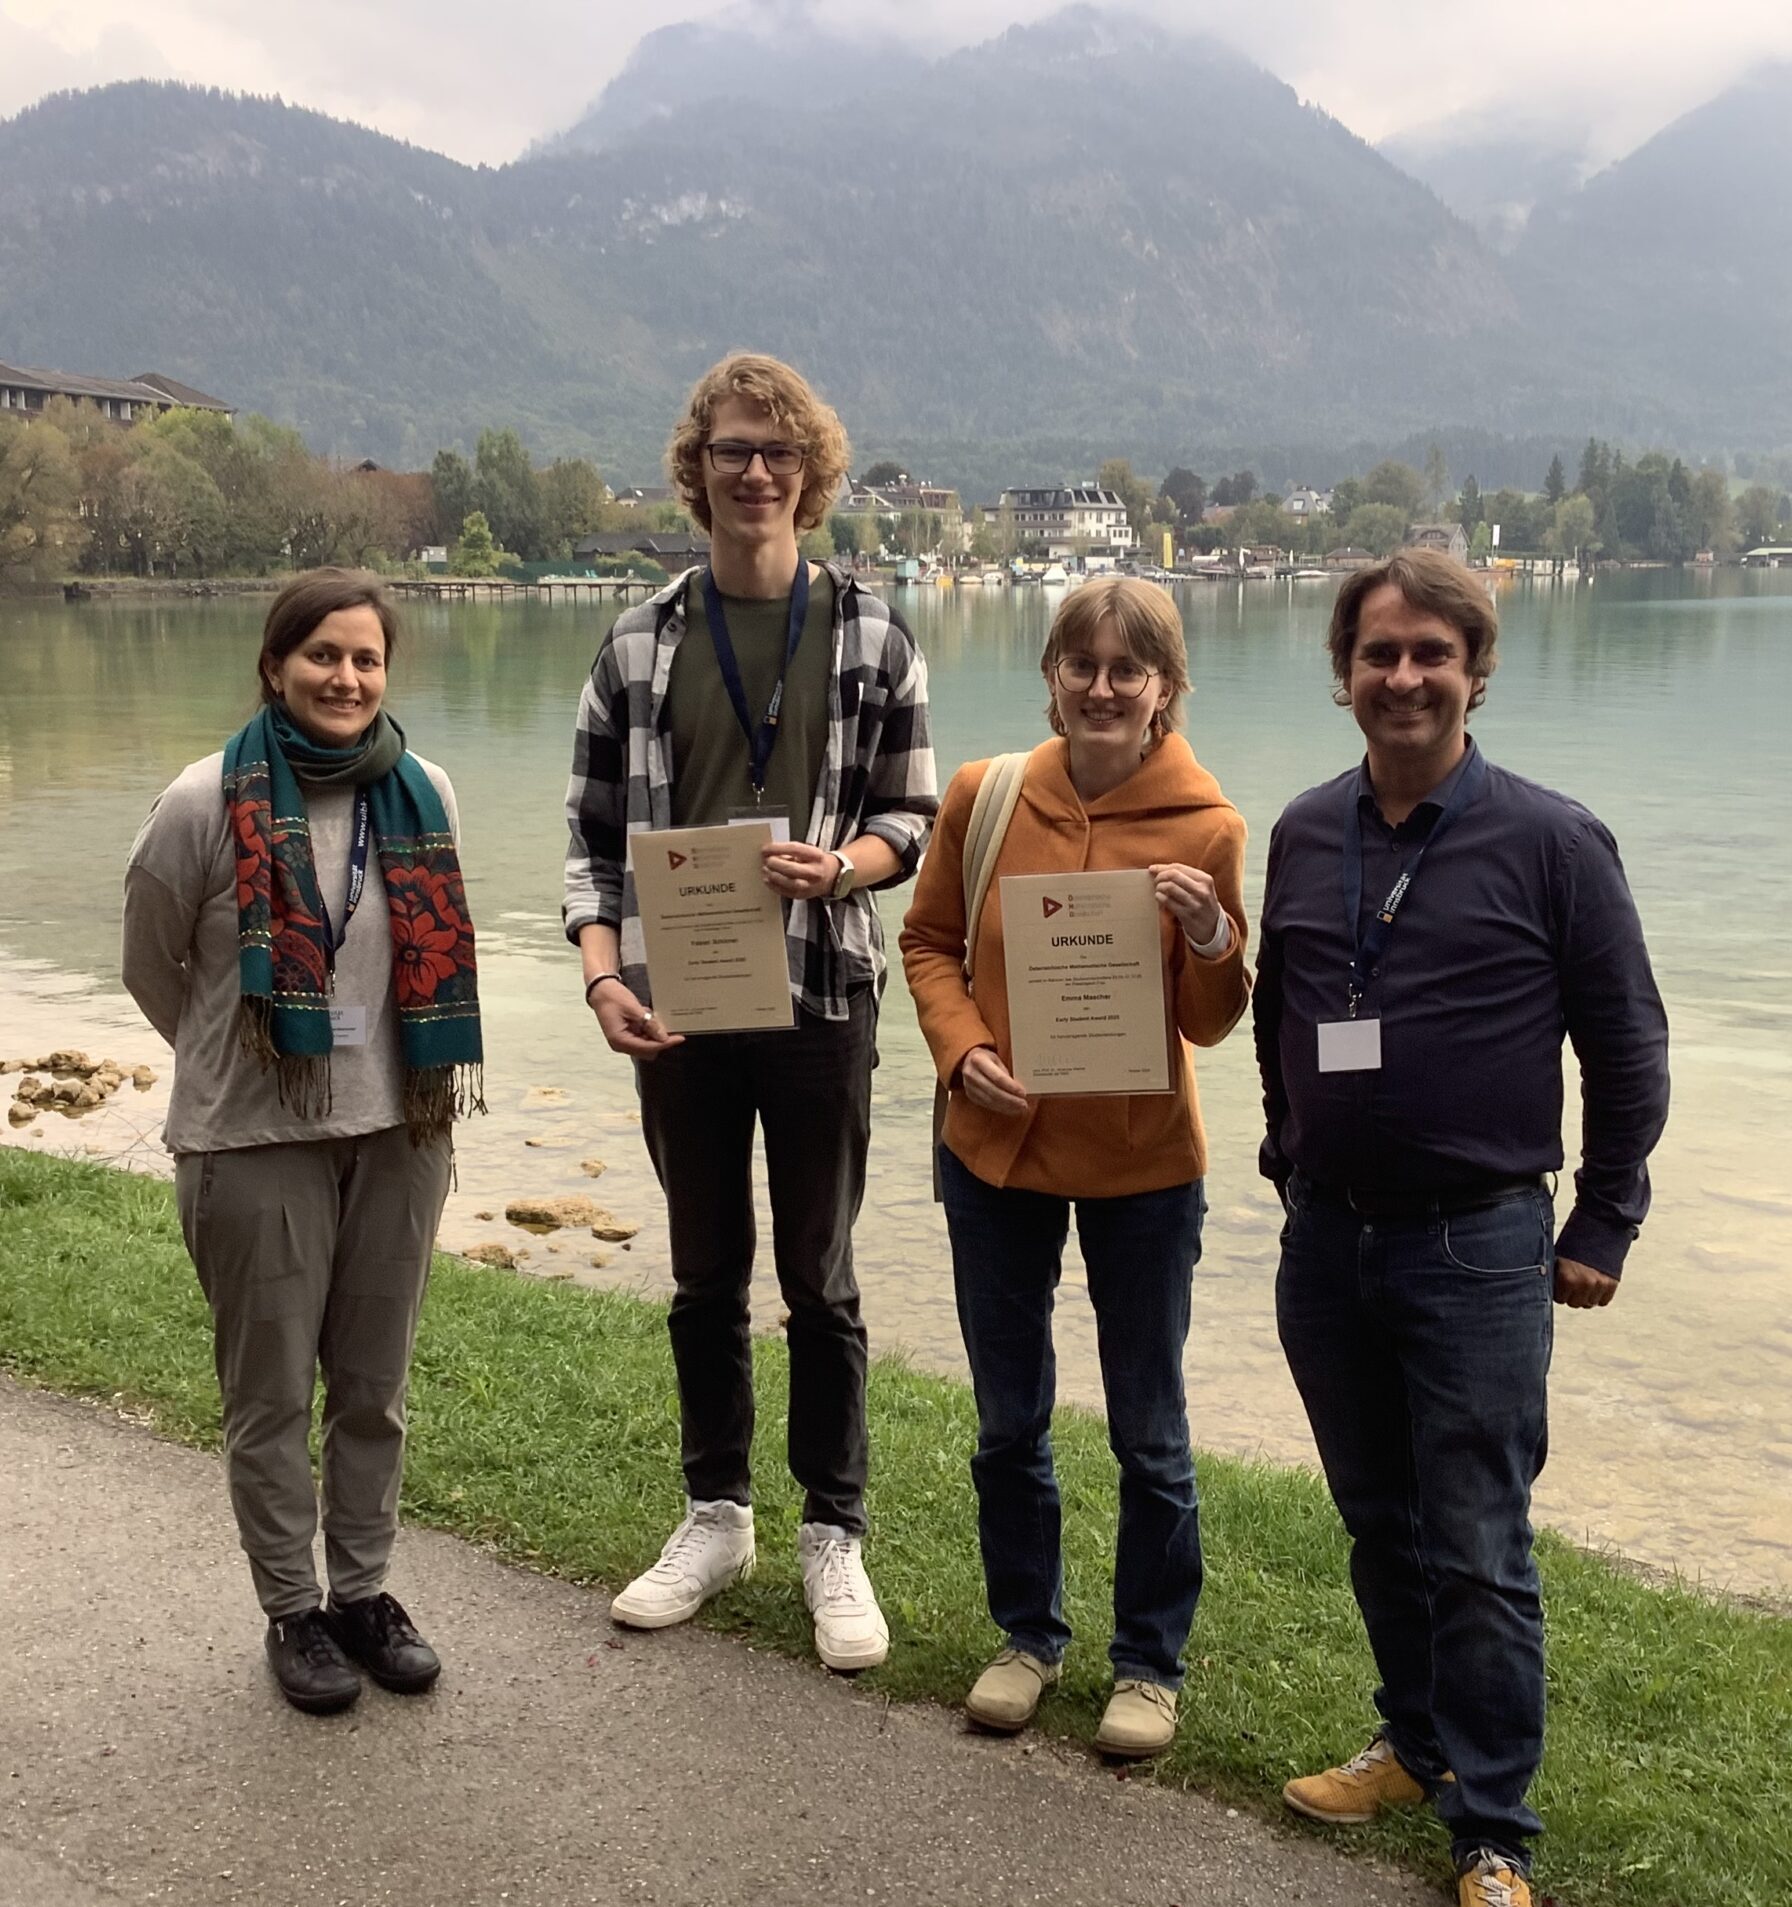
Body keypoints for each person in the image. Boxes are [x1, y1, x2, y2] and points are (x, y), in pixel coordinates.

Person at [1253, 550, 1669, 1905]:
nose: (1404, 676)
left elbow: (1628, 1045)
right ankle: (1414, 1741)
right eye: (1379, 652)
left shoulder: (1554, 840)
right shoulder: (1305, 830)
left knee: (1479, 1541)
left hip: (1478, 1245)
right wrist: (1286, 1146)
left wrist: (1605, 1215)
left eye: (1432, 652)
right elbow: (1281, 1006)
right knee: (1378, 1517)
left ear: (1476, 672)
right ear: (1344, 673)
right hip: (1329, 1241)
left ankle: (1493, 1829)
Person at [563, 353, 936, 1672]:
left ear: (812, 471)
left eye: (778, 451)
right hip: (680, 1000)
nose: (755, 471)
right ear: (698, 468)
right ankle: (716, 1514)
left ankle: (835, 1529)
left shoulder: (875, 631)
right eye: (731, 449)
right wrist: (603, 974)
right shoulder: (637, 641)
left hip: (823, 990)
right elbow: (592, 839)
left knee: (819, 1276)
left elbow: (912, 815)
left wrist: (842, 866)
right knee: (703, 1267)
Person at [122, 568, 482, 1715]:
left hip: (400, 1133)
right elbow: (151, 964)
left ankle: (363, 1594)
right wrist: (250, 1058)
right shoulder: (200, 801)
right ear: (275, 665)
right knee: (271, 1395)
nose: (346, 677)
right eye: (323, 653)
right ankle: (293, 1609)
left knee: (373, 1389)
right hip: (252, 1141)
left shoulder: (424, 791)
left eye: (366, 657)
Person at [900, 578, 1249, 1757]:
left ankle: (1148, 1663)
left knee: (1149, 1430)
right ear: (1051, 674)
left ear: (1165, 687)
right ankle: (1027, 1635)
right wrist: (962, 1049)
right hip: (995, 1155)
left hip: (1144, 1169)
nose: (1102, 687)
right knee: (1009, 1420)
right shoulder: (984, 794)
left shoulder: (1209, 826)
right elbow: (928, 941)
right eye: (1080, 664)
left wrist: (1209, 934)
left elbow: (1210, 1022)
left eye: (1126, 668)